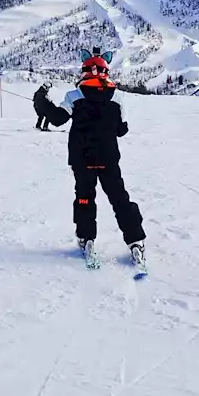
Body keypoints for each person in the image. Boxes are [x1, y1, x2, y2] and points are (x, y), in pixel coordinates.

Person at [34, 49, 146, 269]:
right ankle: (135, 240)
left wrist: (41, 98)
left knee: (85, 198)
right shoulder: (117, 96)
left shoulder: (75, 95)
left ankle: (86, 238)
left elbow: (57, 119)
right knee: (120, 199)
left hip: (82, 157)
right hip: (108, 158)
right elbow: (121, 130)